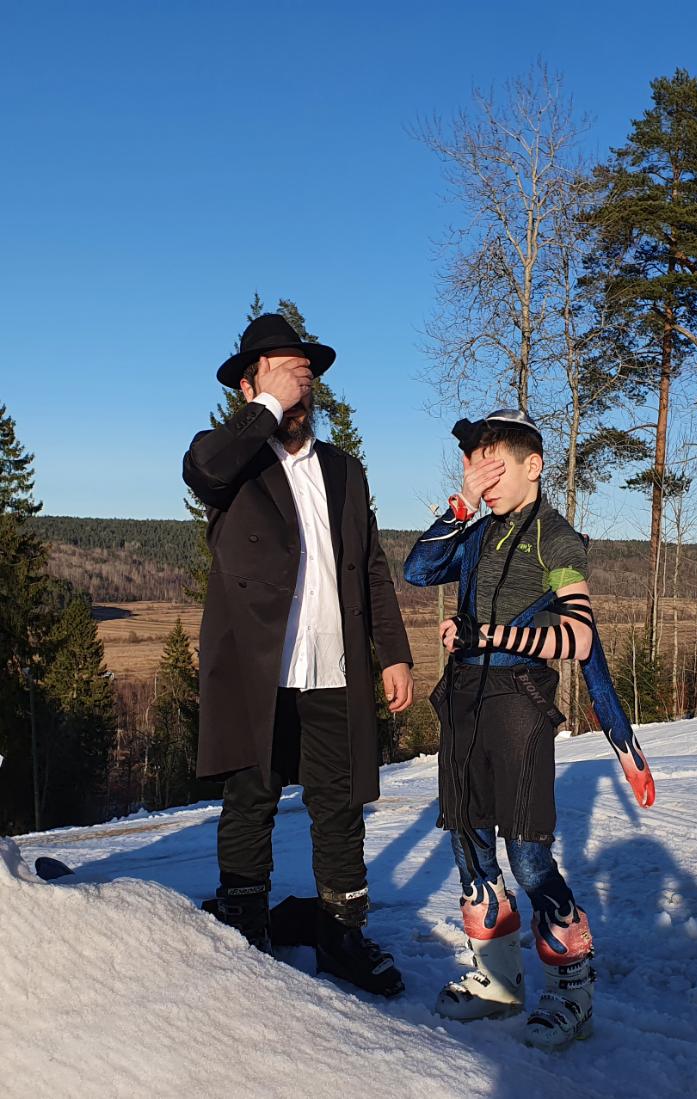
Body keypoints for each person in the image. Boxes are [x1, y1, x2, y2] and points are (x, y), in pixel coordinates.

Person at [183, 312, 414, 997]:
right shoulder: (233, 464)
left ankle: (342, 931)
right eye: (279, 374)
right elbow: (202, 469)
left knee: (339, 803)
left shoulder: (345, 471)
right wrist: (266, 406)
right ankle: (246, 922)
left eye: (302, 375)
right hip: (258, 670)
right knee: (250, 796)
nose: (296, 387)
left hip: (333, 667)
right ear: (250, 387)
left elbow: (371, 565)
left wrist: (393, 653)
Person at [404, 409, 600, 1049]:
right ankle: (499, 981)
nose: (482, 478)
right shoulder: (476, 531)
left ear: (533, 466)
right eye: (474, 465)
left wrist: (498, 636)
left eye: (495, 465)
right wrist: (458, 507)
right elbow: (417, 571)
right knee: (466, 836)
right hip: (463, 697)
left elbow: (578, 635)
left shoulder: (555, 536)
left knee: (527, 850)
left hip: (518, 698)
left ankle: (572, 989)